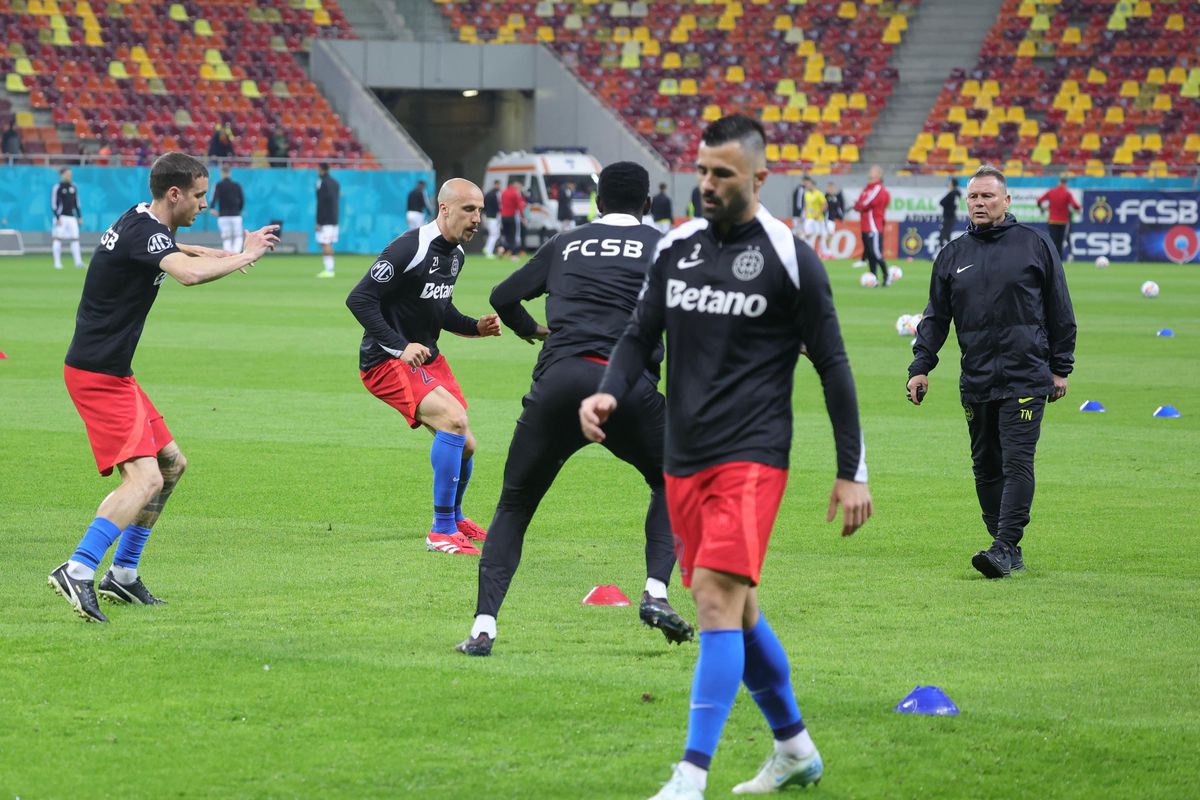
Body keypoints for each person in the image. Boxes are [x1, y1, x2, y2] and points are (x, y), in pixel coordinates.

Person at [580, 115, 872, 800]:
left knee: (713, 596)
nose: (706, 185)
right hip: (683, 458)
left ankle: (690, 775)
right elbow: (636, 334)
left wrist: (852, 469)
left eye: (723, 175)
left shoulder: (790, 256)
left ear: (759, 179)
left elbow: (833, 367)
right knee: (736, 608)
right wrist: (606, 394)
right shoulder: (674, 246)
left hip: (753, 454)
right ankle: (795, 748)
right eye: (702, 171)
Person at [456, 161, 692, 658]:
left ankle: (483, 628)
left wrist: (530, 330)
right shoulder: (664, 247)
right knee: (672, 480)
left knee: (515, 506)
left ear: (598, 204)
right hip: (628, 388)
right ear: (647, 205)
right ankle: (655, 592)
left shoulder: (567, 243)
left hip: (559, 383)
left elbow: (502, 295)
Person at [49, 152, 279, 623]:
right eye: (198, 196)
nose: (204, 205)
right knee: (146, 478)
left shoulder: (145, 219)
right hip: (97, 375)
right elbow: (189, 273)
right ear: (174, 193)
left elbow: (190, 252)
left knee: (171, 465)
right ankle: (78, 567)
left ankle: (124, 575)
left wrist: (236, 251)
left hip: (114, 372)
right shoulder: (143, 231)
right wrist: (248, 255)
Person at [906, 165, 1076, 579]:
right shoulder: (952, 255)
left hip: (1026, 375)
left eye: (987, 196)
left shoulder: (1034, 244)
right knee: (985, 466)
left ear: (1006, 200)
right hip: (977, 377)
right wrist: (920, 366)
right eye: (974, 197)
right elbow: (935, 318)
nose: (979, 203)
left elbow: (1060, 308)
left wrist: (1060, 367)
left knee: (1017, 462)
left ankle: (1002, 546)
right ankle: (1007, 545)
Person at [346, 179, 502, 556]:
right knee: (454, 422)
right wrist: (399, 347)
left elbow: (439, 308)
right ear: (444, 208)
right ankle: (441, 529)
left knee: (466, 444)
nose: (477, 218)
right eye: (469, 210)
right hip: (387, 361)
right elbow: (359, 299)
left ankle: (456, 517)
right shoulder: (409, 247)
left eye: (480, 210)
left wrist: (474, 327)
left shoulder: (457, 255)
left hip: (425, 357)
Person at [853, 165, 891, 286]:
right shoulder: (867, 188)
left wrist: (859, 206)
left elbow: (865, 203)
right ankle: (874, 279)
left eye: (873, 170)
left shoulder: (878, 188)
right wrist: (859, 205)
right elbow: (860, 204)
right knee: (870, 254)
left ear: (879, 174)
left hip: (873, 226)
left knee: (876, 253)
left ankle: (887, 275)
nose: (870, 171)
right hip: (865, 225)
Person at [1037, 175, 1081, 262]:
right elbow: (1075, 205)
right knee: (1060, 243)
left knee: (1052, 241)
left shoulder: (1051, 191)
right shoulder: (1067, 193)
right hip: (1063, 222)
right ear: (1066, 183)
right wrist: (1078, 209)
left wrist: (1042, 208)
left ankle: (1051, 260)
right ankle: (1059, 262)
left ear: (1059, 182)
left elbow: (1039, 200)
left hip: (1052, 220)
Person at [51, 167, 85, 270]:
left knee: (75, 239)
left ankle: (78, 262)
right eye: (67, 174)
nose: (69, 176)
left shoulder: (74, 187)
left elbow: (77, 203)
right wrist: (57, 217)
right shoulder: (57, 187)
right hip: (61, 217)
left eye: (70, 174)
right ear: (62, 175)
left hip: (72, 217)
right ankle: (57, 263)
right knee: (58, 239)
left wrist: (79, 216)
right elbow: (53, 204)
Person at [210, 164, 245, 254]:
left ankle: (228, 256)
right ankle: (236, 255)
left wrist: (212, 208)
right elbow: (242, 200)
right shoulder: (236, 185)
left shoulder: (219, 185)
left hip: (223, 216)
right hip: (235, 215)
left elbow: (214, 198)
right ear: (230, 173)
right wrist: (239, 210)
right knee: (238, 237)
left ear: (222, 173)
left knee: (226, 238)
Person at [314, 163, 340, 278]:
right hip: (334, 218)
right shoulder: (335, 183)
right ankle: (329, 268)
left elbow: (322, 204)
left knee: (325, 243)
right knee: (326, 243)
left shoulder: (322, 183)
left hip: (325, 220)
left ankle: (329, 270)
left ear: (321, 169)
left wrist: (319, 221)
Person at [498, 178, 526, 258]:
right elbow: (519, 206)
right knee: (513, 235)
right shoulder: (515, 193)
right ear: (515, 185)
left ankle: (502, 249)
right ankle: (513, 255)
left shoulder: (503, 192)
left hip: (503, 216)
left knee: (506, 235)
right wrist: (523, 218)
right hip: (511, 216)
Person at [800, 176, 828, 255]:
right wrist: (804, 215)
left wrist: (818, 214)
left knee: (820, 235)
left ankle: (823, 252)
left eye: (808, 184)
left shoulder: (819, 193)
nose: (807, 186)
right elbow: (806, 205)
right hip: (809, 218)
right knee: (808, 234)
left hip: (818, 219)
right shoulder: (806, 194)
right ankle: (809, 251)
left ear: (813, 185)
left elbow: (825, 205)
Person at [939, 177, 960, 253]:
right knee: (946, 236)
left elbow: (941, 202)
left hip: (948, 217)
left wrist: (949, 192)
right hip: (951, 217)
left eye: (950, 183)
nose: (948, 184)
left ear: (952, 184)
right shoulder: (957, 193)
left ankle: (945, 254)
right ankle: (949, 254)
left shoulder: (952, 193)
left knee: (942, 236)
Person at [482, 180, 502, 258]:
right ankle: (488, 250)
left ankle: (487, 248)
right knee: (494, 234)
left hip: (488, 216)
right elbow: (497, 207)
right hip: (492, 217)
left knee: (494, 234)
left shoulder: (488, 194)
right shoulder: (494, 195)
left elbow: (484, 206)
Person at [824, 181, 845, 257]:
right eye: (830, 188)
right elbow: (823, 208)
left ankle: (827, 249)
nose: (832, 189)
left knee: (831, 234)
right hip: (827, 218)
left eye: (833, 188)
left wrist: (841, 217)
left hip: (833, 219)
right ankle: (826, 250)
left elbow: (838, 209)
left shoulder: (835, 198)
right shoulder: (825, 197)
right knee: (828, 234)